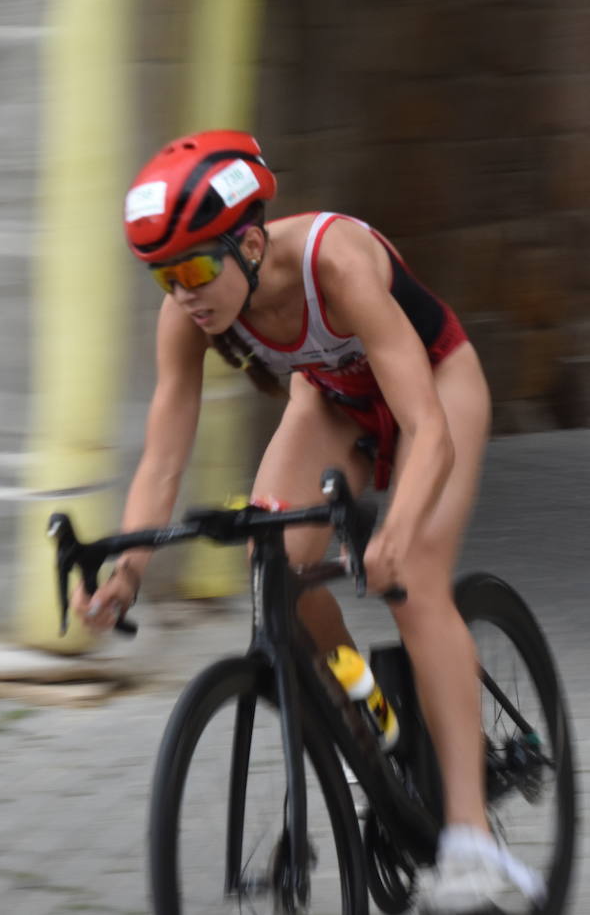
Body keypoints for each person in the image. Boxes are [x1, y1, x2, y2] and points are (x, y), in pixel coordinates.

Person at [73, 129, 543, 913]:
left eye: (193, 268)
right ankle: (371, 714)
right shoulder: (189, 314)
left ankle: (470, 841)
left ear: (250, 242)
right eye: (163, 278)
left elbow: (427, 426)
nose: (183, 293)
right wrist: (125, 579)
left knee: (415, 579)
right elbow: (161, 460)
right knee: (280, 564)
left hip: (435, 389)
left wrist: (396, 533)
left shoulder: (338, 261)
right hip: (337, 404)